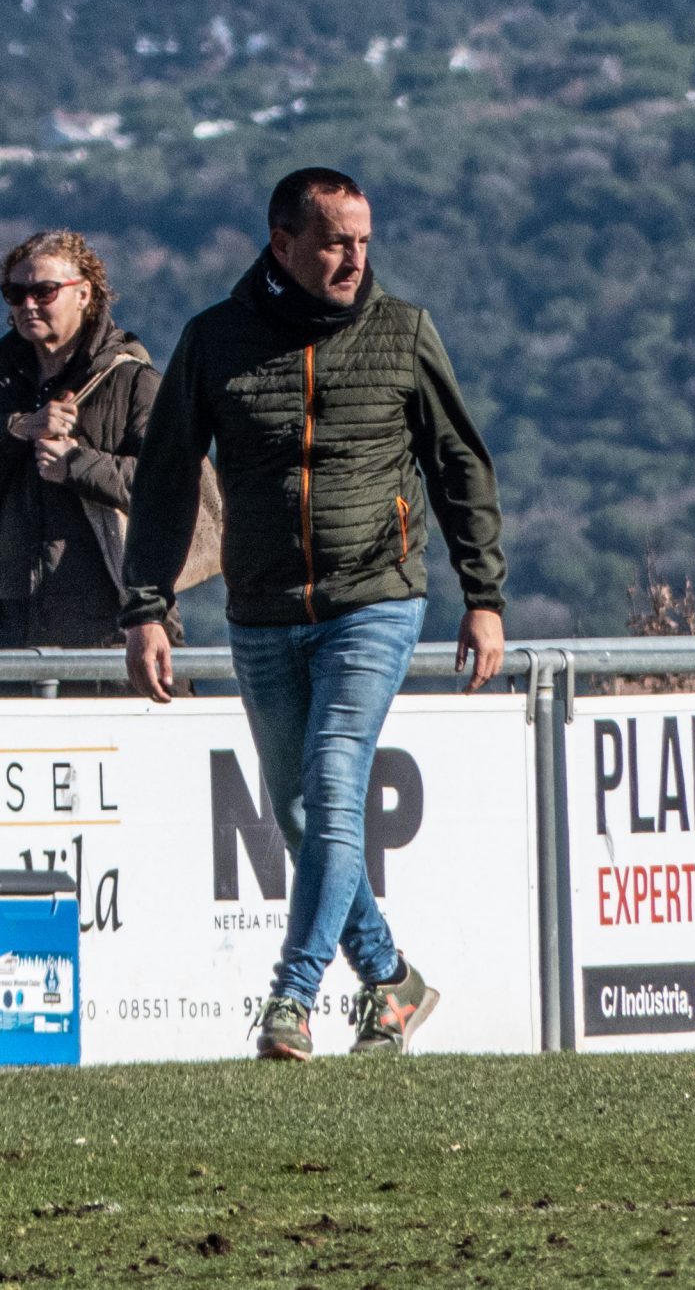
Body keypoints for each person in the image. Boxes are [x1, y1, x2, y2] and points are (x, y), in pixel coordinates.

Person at [119, 167, 508, 1061]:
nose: (354, 259)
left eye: (364, 242)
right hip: (260, 610)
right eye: (336, 242)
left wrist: (483, 596)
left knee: (333, 788)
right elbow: (168, 479)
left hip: (376, 599)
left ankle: (290, 998)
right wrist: (146, 607)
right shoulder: (215, 340)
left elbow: (459, 464)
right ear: (283, 243)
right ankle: (392, 980)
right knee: (298, 815)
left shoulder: (403, 332)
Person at [0, 230, 164, 650]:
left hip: (109, 622)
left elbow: (165, 487)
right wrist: (15, 430)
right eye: (15, 293)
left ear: (84, 294)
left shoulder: (132, 381)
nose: (28, 304)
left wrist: (76, 464)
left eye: (44, 291)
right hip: (6, 618)